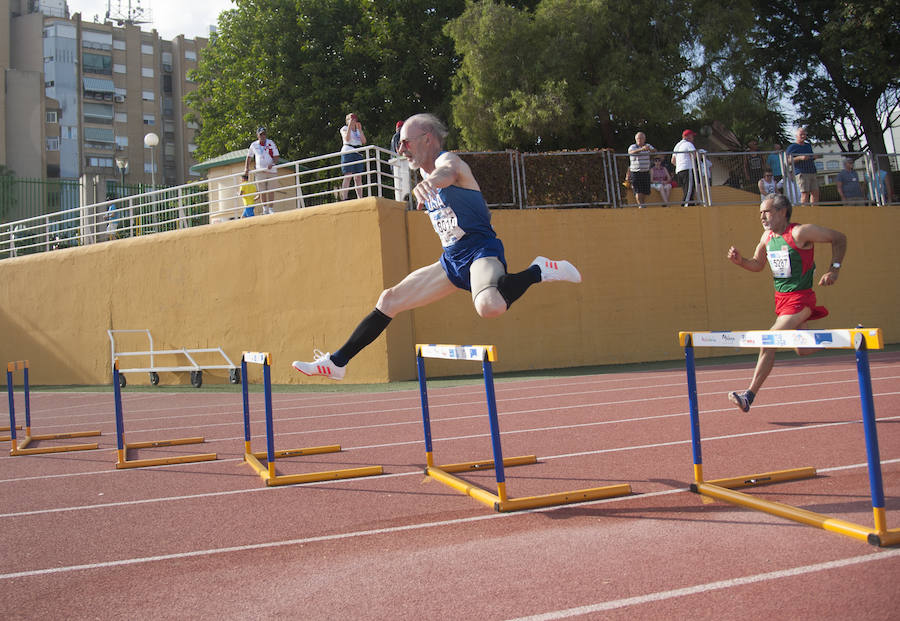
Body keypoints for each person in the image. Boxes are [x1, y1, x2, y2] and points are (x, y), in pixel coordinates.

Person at [292, 113, 582, 381]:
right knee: (389, 299)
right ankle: (337, 362)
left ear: (427, 138)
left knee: (489, 306)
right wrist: (425, 182)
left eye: (405, 142)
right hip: (451, 262)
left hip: (481, 252)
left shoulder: (450, 163)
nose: (401, 149)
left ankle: (538, 270)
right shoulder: (422, 173)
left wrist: (430, 183)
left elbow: (447, 174)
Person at [725, 193, 846, 412]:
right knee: (802, 349)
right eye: (760, 212)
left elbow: (839, 238)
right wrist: (740, 261)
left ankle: (748, 397)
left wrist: (833, 270)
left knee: (769, 340)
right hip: (781, 300)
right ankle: (835, 339)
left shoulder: (800, 232)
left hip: (801, 299)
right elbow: (757, 264)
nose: (762, 216)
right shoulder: (767, 237)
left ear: (782, 212)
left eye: (767, 211)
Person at [244, 127, 279, 214]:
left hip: (271, 170)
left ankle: (270, 208)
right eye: (261, 134)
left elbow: (276, 155)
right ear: (257, 136)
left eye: (264, 134)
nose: (263, 136)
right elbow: (249, 157)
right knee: (262, 190)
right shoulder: (254, 145)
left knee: (271, 190)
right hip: (260, 171)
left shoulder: (271, 143)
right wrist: (246, 168)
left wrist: (273, 163)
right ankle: (265, 208)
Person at [784, 127, 819, 205]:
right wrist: (800, 158)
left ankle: (815, 210)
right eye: (801, 134)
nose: (803, 136)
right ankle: (805, 211)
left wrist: (814, 157)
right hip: (801, 172)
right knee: (804, 193)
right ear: (796, 136)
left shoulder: (808, 146)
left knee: (815, 192)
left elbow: (810, 156)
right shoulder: (792, 147)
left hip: (812, 171)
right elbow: (787, 160)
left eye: (804, 134)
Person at [340, 113, 367, 200]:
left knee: (358, 177)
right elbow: (347, 139)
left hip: (358, 153)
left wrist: (360, 129)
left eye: (354, 119)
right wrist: (349, 127)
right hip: (348, 151)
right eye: (351, 119)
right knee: (348, 175)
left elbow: (364, 141)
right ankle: (345, 197)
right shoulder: (344, 129)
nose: (353, 121)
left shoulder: (358, 131)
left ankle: (360, 197)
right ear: (347, 121)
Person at [627, 132, 656, 207]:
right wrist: (641, 149)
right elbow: (631, 152)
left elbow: (655, 151)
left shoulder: (648, 145)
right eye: (638, 138)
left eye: (641, 138)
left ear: (644, 139)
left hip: (645, 171)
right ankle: (641, 205)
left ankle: (642, 204)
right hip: (636, 172)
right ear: (636, 139)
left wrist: (649, 149)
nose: (640, 140)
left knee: (645, 191)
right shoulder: (633, 146)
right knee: (638, 190)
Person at [672, 129, 698, 206]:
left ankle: (690, 205)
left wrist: (680, 164)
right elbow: (693, 155)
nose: (693, 138)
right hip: (687, 169)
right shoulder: (688, 144)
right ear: (688, 137)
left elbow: (673, 161)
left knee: (686, 189)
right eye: (692, 136)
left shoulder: (677, 145)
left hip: (679, 170)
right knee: (689, 190)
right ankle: (685, 206)